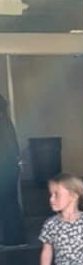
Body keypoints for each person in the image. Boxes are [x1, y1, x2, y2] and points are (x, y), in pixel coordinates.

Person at [0, 94, 26, 247]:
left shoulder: (2, 124)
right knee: (10, 203)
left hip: (4, 169)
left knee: (7, 203)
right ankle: (14, 237)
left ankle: (13, 238)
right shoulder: (6, 123)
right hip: (9, 168)